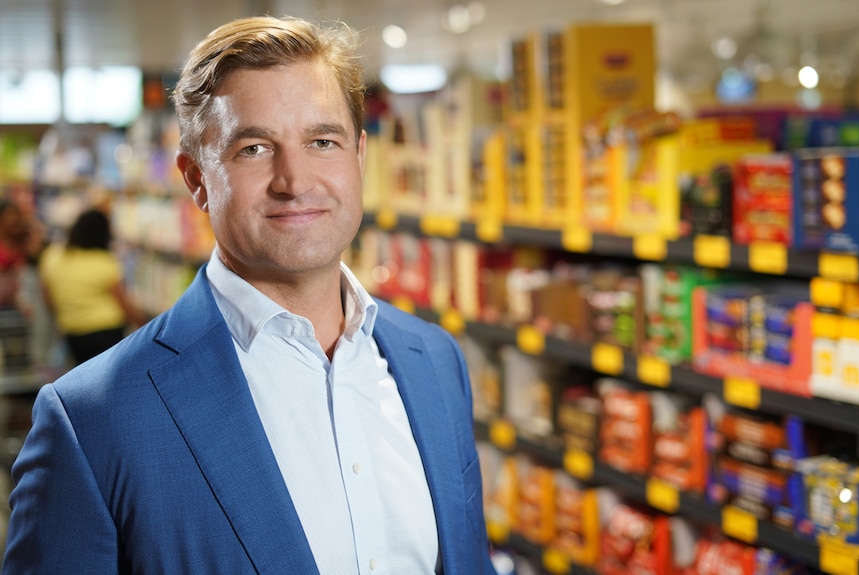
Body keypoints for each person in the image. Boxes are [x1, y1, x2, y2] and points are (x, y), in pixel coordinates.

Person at [3, 14, 496, 575]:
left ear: (359, 157)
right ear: (196, 179)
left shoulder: (432, 361)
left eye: (322, 141)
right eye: (254, 149)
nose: (296, 180)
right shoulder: (94, 420)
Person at [38, 207, 145, 365]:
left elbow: (48, 298)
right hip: (108, 332)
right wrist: (143, 326)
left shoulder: (52, 256)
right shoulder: (106, 262)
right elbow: (123, 303)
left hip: (72, 332)